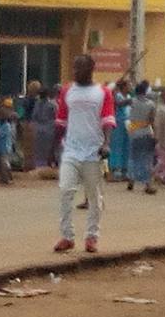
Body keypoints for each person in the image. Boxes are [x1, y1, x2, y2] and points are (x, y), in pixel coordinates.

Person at [55, 55, 115, 254]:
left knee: (94, 197)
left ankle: (91, 237)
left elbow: (108, 120)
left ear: (90, 69)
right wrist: (53, 148)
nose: (75, 72)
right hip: (71, 150)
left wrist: (106, 143)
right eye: (74, 68)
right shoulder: (66, 91)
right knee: (65, 191)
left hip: (93, 152)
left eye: (79, 68)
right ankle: (67, 236)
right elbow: (61, 121)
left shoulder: (103, 92)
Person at [127, 81, 157, 194]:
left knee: (133, 157)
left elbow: (119, 103)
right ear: (145, 92)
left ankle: (131, 181)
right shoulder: (151, 104)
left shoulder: (132, 101)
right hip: (146, 132)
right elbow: (152, 120)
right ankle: (148, 184)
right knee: (147, 158)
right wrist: (156, 134)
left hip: (133, 132)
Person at [108, 79, 132, 181]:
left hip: (128, 123)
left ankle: (125, 170)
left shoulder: (129, 96)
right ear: (123, 87)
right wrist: (129, 101)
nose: (130, 87)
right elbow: (119, 103)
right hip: (118, 123)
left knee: (126, 146)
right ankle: (115, 170)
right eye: (128, 85)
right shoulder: (117, 96)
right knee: (117, 146)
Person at [31, 87, 58, 171]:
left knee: (39, 148)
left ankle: (39, 166)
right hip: (50, 128)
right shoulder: (52, 104)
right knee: (50, 148)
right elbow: (56, 116)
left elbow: (34, 116)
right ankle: (49, 165)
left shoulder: (37, 104)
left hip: (38, 128)